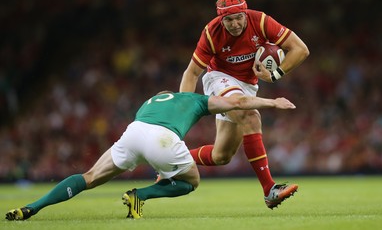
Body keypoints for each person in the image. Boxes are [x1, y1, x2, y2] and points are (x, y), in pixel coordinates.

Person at [5, 91, 296, 221]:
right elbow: (239, 101)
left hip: (134, 131)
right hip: (163, 138)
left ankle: (31, 208)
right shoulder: (196, 100)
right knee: (190, 182)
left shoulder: (155, 98)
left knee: (89, 177)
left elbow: (146, 119)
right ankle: (140, 196)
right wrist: (272, 102)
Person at [179, 0, 310, 209]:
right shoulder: (211, 32)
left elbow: (300, 49)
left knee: (222, 155)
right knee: (250, 115)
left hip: (249, 84)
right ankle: (270, 190)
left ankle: (172, 158)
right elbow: (191, 73)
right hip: (218, 78)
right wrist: (182, 109)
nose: (235, 23)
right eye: (228, 19)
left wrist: (275, 75)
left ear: (245, 12)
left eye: (239, 17)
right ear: (221, 19)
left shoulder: (260, 21)